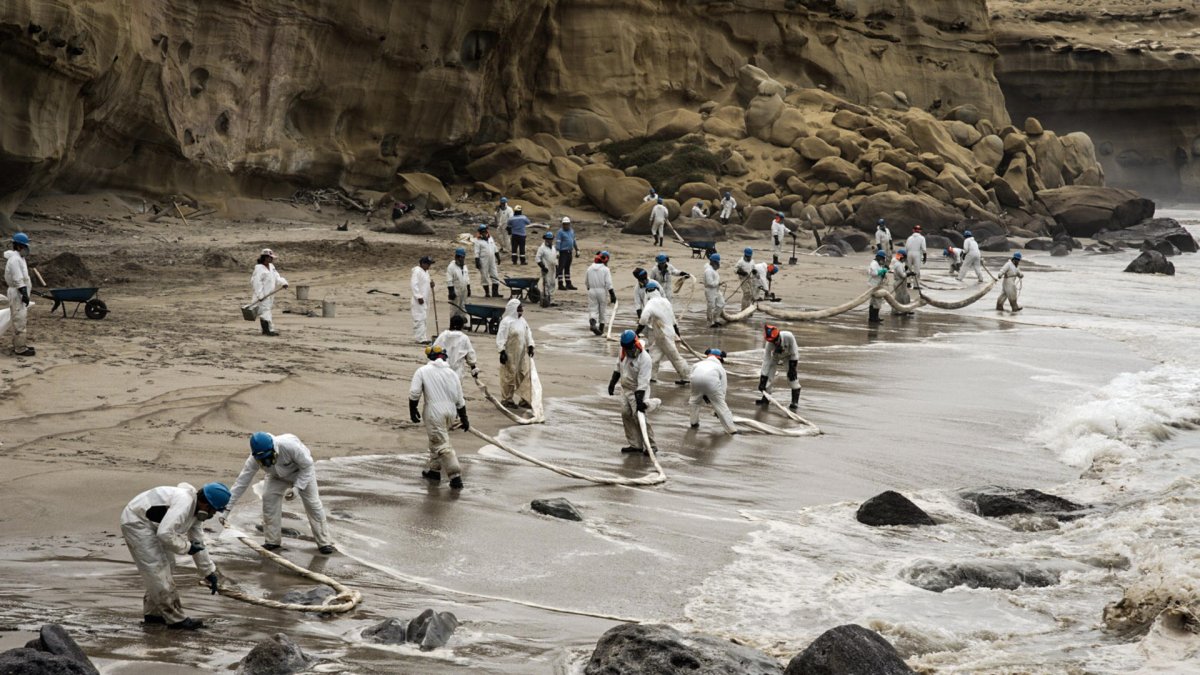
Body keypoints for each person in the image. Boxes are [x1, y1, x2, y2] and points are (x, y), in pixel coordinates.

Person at [121, 481, 229, 630]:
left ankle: (154, 614)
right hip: (137, 522)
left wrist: (208, 572)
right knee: (157, 569)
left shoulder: (195, 513)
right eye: (213, 511)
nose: (212, 514)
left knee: (169, 565)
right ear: (206, 504)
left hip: (153, 525)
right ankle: (176, 619)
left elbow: (198, 542)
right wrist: (187, 547)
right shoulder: (184, 503)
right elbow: (165, 534)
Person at [227, 432, 336, 554]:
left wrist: (297, 488)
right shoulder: (253, 459)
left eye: (268, 457)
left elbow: (308, 466)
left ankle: (324, 542)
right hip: (275, 476)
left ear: (273, 449)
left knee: (313, 504)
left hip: (300, 473)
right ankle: (272, 541)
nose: (266, 462)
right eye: (262, 460)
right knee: (268, 499)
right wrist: (226, 509)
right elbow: (241, 482)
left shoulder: (290, 446)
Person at [410, 345, 469, 490]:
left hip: (434, 411)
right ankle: (434, 471)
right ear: (443, 357)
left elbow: (415, 392)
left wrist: (413, 408)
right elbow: (460, 399)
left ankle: (456, 477)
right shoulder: (452, 373)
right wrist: (464, 417)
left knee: (442, 445)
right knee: (436, 440)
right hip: (451, 412)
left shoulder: (422, 371)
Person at [607, 330, 658, 454]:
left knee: (639, 416)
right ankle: (635, 444)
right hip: (625, 388)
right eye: (627, 349)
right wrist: (612, 383)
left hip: (639, 389)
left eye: (631, 349)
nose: (629, 352)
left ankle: (651, 445)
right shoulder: (622, 352)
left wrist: (639, 401)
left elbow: (643, 382)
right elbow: (618, 367)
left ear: (636, 344)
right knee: (625, 414)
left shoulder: (645, 358)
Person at [637, 281, 690, 385]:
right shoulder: (666, 301)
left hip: (663, 335)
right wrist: (677, 334)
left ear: (647, 292)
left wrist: (636, 333)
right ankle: (651, 377)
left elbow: (643, 319)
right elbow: (674, 320)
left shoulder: (651, 303)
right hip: (664, 335)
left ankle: (686, 377)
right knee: (653, 357)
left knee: (675, 357)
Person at [496, 298, 535, 408]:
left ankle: (524, 399)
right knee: (509, 376)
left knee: (522, 374)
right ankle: (507, 399)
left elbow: (528, 334)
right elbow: (501, 337)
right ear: (513, 309)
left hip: (521, 354)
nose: (521, 310)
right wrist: (501, 351)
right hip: (510, 354)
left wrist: (530, 345)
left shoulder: (522, 321)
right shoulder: (506, 322)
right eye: (519, 308)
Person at [689, 348, 737, 434]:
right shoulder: (719, 368)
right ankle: (732, 430)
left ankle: (694, 423)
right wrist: (717, 406)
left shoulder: (697, 364)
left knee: (694, 401)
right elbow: (723, 389)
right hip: (711, 381)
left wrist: (701, 393)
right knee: (720, 405)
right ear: (720, 358)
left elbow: (692, 377)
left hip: (695, 380)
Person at [758, 324, 802, 410]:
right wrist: (762, 379)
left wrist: (792, 368)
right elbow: (766, 361)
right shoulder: (769, 344)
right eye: (772, 342)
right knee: (769, 376)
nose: (774, 343)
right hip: (775, 357)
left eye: (775, 340)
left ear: (778, 335)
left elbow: (794, 353)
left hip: (789, 357)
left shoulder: (789, 336)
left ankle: (795, 401)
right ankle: (766, 397)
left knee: (792, 378)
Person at [4, 233, 34, 355]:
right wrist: (24, 294)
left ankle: (20, 344)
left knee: (20, 319)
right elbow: (18, 279)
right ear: (20, 246)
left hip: (19, 292)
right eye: (25, 246)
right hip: (17, 293)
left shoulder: (20, 258)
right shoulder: (15, 260)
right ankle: (20, 349)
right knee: (19, 320)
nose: (27, 249)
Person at [250, 247, 288, 337]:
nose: (272, 259)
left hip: (270, 294)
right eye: (270, 257)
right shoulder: (259, 268)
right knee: (265, 311)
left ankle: (266, 330)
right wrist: (260, 295)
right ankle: (269, 330)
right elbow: (256, 283)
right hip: (263, 294)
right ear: (266, 257)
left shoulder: (271, 267)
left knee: (265, 311)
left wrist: (283, 282)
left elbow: (277, 277)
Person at [433, 314, 479, 380]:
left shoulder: (443, 335)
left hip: (441, 370)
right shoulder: (464, 338)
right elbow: (470, 356)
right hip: (457, 372)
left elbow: (433, 351)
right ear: (462, 326)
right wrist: (473, 368)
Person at [586, 251, 616, 335]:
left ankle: (593, 324)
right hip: (602, 291)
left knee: (593, 308)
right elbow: (608, 283)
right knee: (602, 309)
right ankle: (601, 329)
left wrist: (590, 288)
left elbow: (586, 282)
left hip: (592, 290)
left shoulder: (589, 268)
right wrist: (612, 294)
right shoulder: (606, 269)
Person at [411, 255, 434, 344]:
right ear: (423, 263)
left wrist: (431, 285)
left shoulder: (426, 272)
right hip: (419, 299)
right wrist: (418, 296)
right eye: (428, 264)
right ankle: (419, 338)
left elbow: (425, 284)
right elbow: (414, 285)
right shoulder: (417, 271)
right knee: (419, 318)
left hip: (425, 299)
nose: (429, 266)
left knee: (424, 318)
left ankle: (423, 336)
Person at [474, 224, 502, 297]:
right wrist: (477, 262)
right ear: (480, 232)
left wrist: (498, 257)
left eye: (485, 231)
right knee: (484, 276)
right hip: (483, 261)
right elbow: (476, 252)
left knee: (495, 275)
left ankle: (495, 293)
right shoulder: (477, 241)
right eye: (482, 232)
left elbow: (495, 248)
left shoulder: (490, 238)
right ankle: (487, 293)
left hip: (492, 261)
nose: (484, 233)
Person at [554, 217, 580, 291]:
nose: (566, 225)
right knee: (561, 268)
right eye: (564, 224)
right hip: (563, 252)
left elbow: (573, 241)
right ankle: (560, 284)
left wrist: (577, 249)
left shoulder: (571, 231)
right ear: (562, 224)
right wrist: (557, 251)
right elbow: (558, 242)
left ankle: (568, 283)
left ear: (569, 224)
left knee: (567, 268)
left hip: (569, 252)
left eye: (567, 224)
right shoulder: (560, 232)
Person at [446, 248, 470, 321]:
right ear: (456, 257)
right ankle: (452, 322)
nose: (460, 259)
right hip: (456, 290)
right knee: (454, 307)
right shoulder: (451, 267)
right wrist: (451, 291)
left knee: (463, 307)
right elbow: (449, 280)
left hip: (464, 290)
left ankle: (461, 323)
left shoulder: (465, 267)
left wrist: (468, 288)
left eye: (462, 257)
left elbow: (467, 278)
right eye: (459, 257)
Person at [535, 231, 558, 307]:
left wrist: (557, 268)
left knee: (553, 284)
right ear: (545, 239)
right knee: (546, 284)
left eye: (551, 239)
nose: (549, 240)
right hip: (546, 269)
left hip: (553, 268)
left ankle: (552, 300)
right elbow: (537, 259)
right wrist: (543, 267)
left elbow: (555, 258)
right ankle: (546, 300)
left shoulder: (554, 248)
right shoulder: (542, 248)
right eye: (548, 239)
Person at [867, 249, 889, 324]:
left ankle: (873, 317)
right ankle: (874, 318)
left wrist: (884, 272)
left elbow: (880, 273)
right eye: (883, 259)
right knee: (876, 301)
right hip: (873, 285)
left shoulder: (878, 264)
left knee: (874, 302)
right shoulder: (874, 264)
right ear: (879, 258)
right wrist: (882, 271)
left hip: (877, 285)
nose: (883, 261)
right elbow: (874, 273)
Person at [703, 253, 724, 327]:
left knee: (721, 303)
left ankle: (716, 319)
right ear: (713, 262)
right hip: (710, 290)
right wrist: (718, 283)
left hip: (716, 289)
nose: (718, 264)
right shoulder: (708, 271)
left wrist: (718, 283)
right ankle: (710, 322)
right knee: (711, 306)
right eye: (717, 262)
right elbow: (710, 283)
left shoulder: (714, 269)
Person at [891, 249, 914, 316]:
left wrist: (906, 270)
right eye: (905, 257)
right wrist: (909, 274)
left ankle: (906, 310)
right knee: (899, 298)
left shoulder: (899, 264)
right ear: (902, 257)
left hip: (902, 283)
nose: (905, 259)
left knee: (906, 296)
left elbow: (902, 273)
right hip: (899, 283)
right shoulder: (898, 265)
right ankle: (895, 311)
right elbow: (903, 275)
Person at [905, 225, 927, 289]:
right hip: (917, 254)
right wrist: (925, 256)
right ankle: (916, 285)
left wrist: (906, 256)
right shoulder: (922, 238)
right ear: (920, 230)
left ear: (913, 230)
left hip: (909, 253)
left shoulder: (909, 238)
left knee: (908, 268)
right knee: (916, 270)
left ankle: (908, 283)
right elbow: (923, 248)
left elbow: (906, 247)